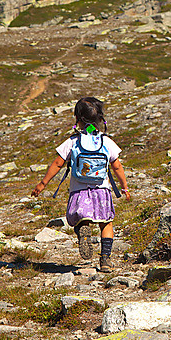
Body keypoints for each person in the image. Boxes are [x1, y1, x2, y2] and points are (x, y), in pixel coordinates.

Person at [31, 97, 131, 272]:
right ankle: (105, 260)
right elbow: (117, 166)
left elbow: (57, 164)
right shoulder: (106, 141)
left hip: (79, 191)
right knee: (106, 223)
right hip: (102, 190)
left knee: (79, 217)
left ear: (77, 118)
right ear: (100, 119)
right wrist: (124, 187)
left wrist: (42, 183)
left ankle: (82, 229)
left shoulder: (73, 141)